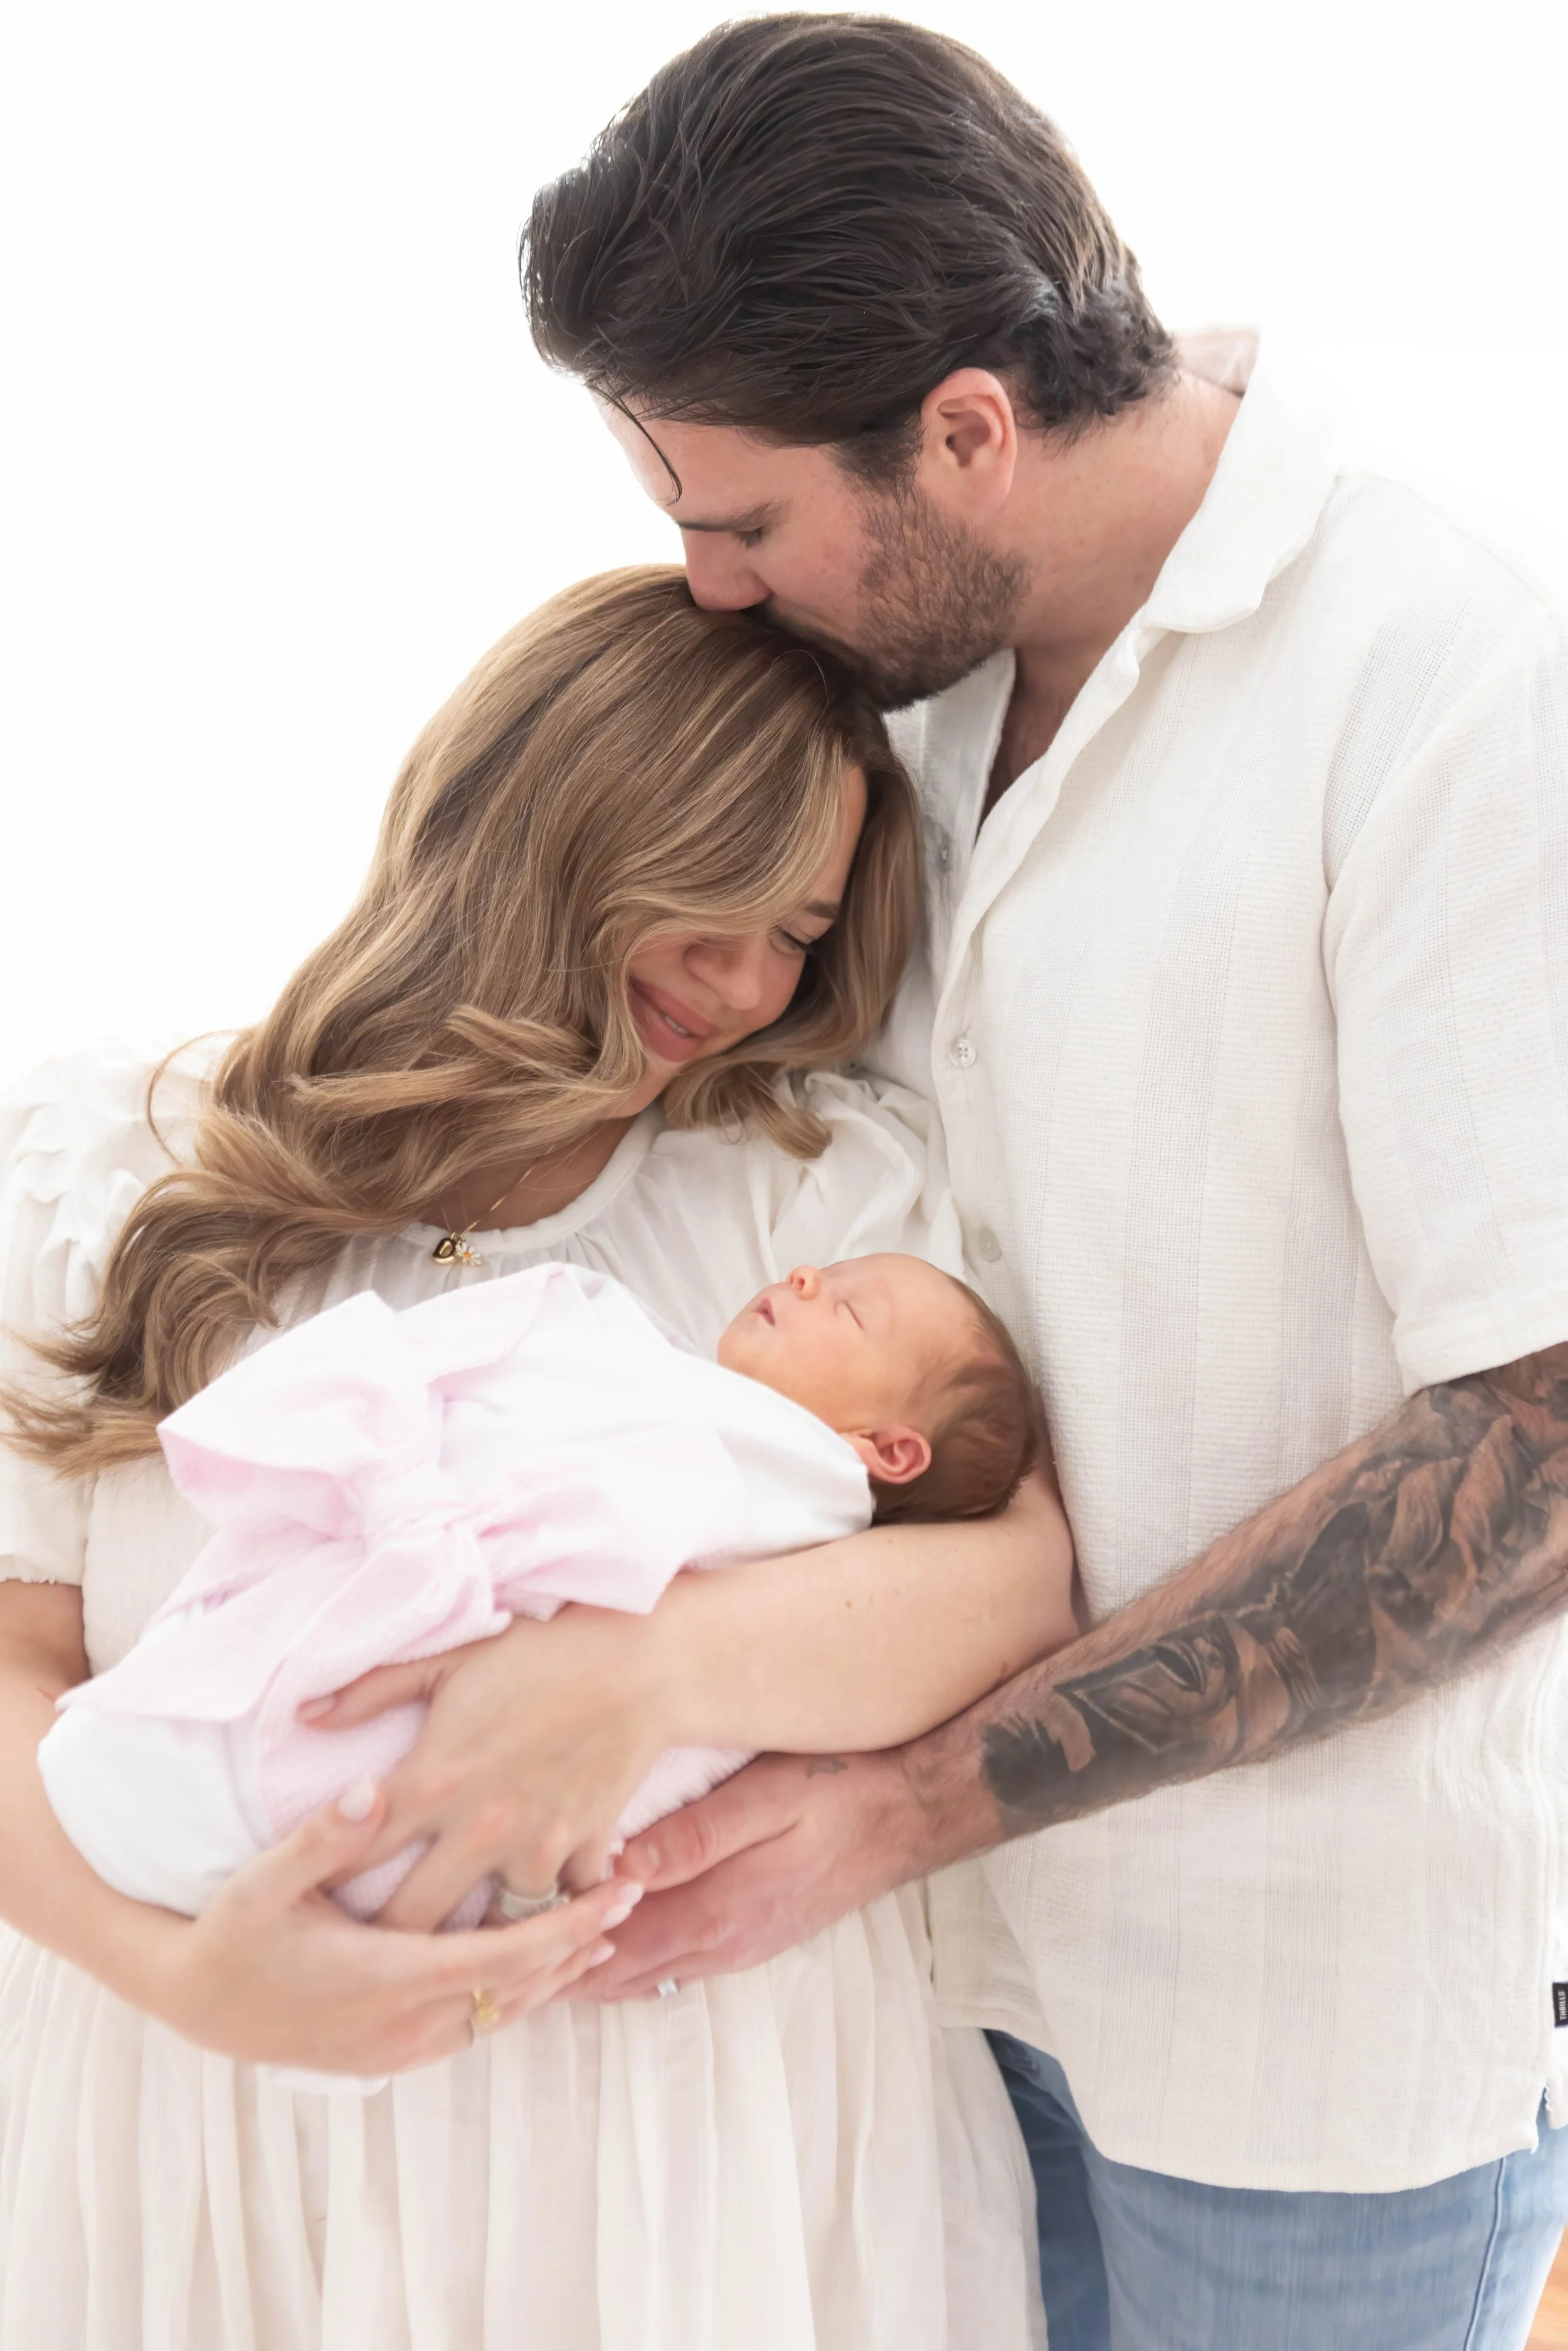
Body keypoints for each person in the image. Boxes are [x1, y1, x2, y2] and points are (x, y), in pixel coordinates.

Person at [347, 16, 1567, 2348]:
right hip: (904, 1996)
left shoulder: (1447, 685)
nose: (707, 584)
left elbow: (1538, 1439)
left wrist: (917, 1795)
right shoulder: (883, 680)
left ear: (970, 433)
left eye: (739, 519)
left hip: (1291, 2058)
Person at [0, 565, 1067, 2348]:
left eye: (799, 932)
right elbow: (12, 1663)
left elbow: (1016, 1578)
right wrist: (188, 1974)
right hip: (209, 2109)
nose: (747, 986)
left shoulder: (818, 1215)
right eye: (707, 911)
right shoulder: (117, 1163)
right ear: (535, 839)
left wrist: (638, 1673)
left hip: (692, 2158)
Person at [40, 1253, 1046, 1949]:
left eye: (850, 1307)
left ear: (886, 1452)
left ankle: (258, 1828)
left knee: (355, 1748)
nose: (804, 1277)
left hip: (476, 1701)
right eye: (823, 1270)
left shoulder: (808, 1505)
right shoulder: (639, 1360)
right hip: (391, 1601)